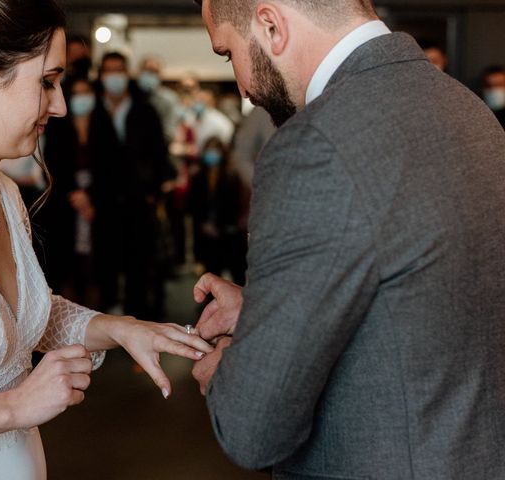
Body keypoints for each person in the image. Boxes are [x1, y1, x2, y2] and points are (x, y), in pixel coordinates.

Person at [0, 1, 213, 479]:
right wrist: (16, 407)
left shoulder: (4, 196)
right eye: (47, 82)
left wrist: (120, 328)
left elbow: (21, 319)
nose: (62, 104)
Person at [190, 0, 505, 478]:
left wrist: (224, 378)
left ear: (271, 25)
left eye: (227, 54)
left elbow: (253, 430)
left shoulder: (312, 145)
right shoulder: (467, 109)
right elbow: (421, 292)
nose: (243, 88)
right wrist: (267, 305)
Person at [89, 51, 173, 319]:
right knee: (106, 259)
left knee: (139, 258)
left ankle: (137, 314)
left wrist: (153, 191)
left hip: (139, 198)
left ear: (127, 74)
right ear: (101, 75)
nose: (114, 76)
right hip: (103, 199)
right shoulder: (93, 108)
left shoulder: (143, 108)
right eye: (109, 70)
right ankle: (107, 314)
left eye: (119, 70)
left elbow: (159, 152)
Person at [187, 137, 247, 285]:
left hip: (229, 232)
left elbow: (233, 205)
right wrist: (203, 224)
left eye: (215, 150)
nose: (212, 154)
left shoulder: (231, 176)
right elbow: (193, 205)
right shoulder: (198, 177)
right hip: (207, 235)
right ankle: (210, 303)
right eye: (209, 150)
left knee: (237, 273)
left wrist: (220, 226)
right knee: (212, 273)